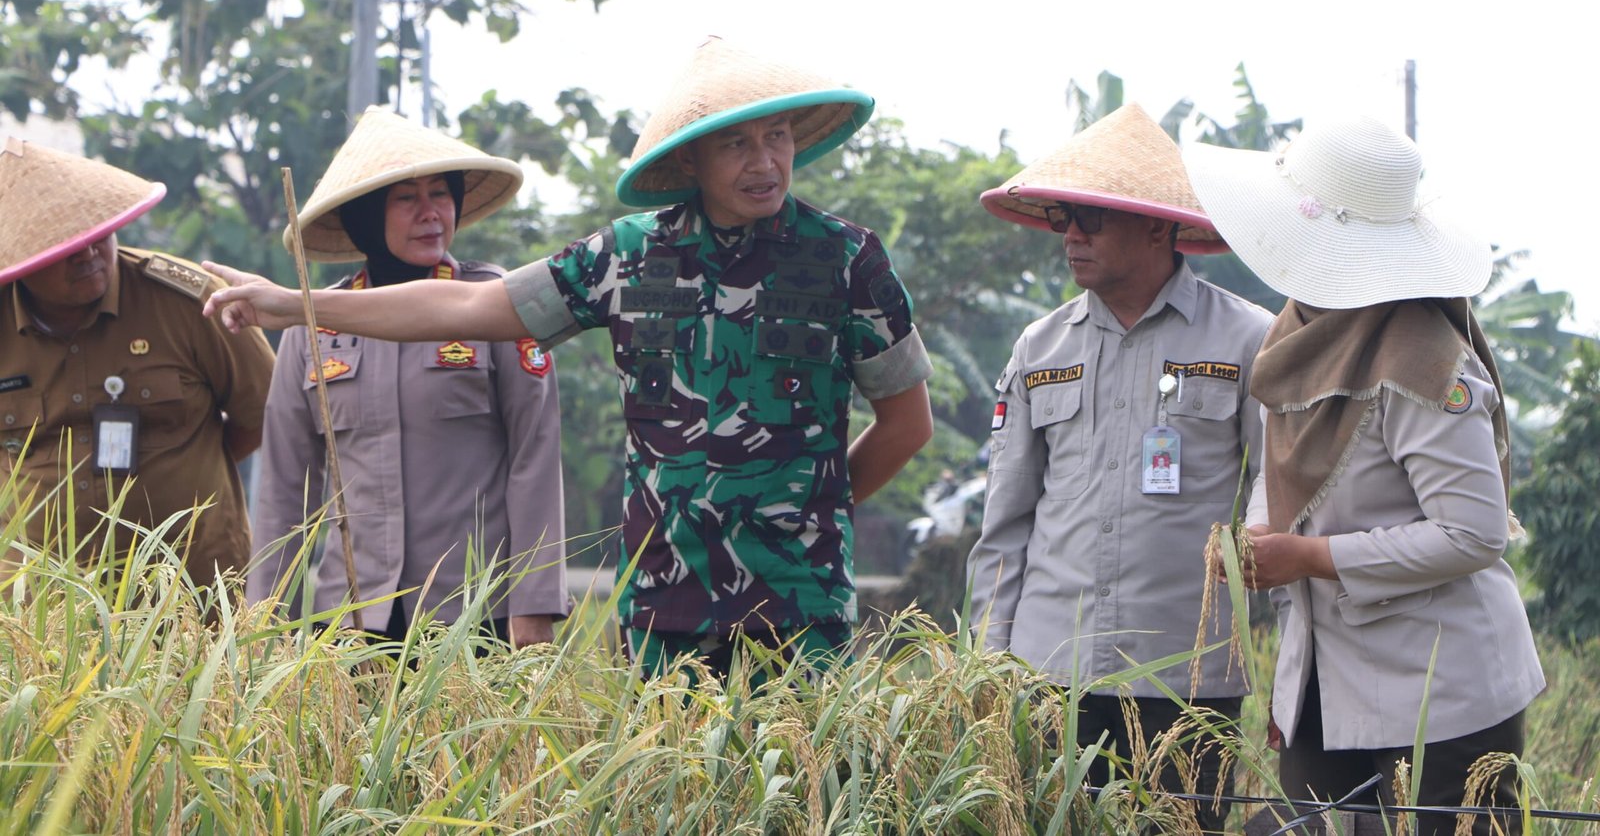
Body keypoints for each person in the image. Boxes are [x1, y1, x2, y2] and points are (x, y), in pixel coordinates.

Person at [205, 37, 935, 676]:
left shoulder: (847, 260)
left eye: (777, 137)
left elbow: (907, 424)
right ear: (693, 158)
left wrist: (809, 512)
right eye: (737, 144)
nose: (765, 161)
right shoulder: (626, 255)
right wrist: (296, 304)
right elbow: (464, 305)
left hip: (801, 605)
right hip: (664, 607)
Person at [1186, 117, 1544, 835]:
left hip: (1442, 693)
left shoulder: (1422, 362)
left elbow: (1473, 534)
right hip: (1327, 676)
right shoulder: (1298, 333)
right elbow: (1281, 464)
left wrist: (1311, 557)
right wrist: (1258, 534)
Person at [967, 104, 1273, 832]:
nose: (1071, 235)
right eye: (1066, 217)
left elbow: (1280, 505)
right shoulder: (1039, 350)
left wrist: (1292, 676)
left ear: (1160, 226)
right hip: (1048, 678)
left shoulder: (1248, 340)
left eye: (1093, 218)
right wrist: (983, 669)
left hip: (1189, 680)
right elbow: (1004, 525)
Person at [248, 109, 569, 646]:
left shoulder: (498, 309)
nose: (430, 214)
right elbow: (285, 485)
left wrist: (533, 607)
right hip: (349, 621)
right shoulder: (311, 323)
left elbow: (534, 463)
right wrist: (263, 617)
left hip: (469, 619)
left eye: (441, 194)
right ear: (367, 217)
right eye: (406, 199)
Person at [0, 137, 275, 585]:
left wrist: (187, 462)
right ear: (22, 261)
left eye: (97, 234)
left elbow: (265, 410)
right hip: (40, 613)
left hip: (187, 594)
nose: (88, 254)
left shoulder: (189, 302)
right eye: (66, 247)